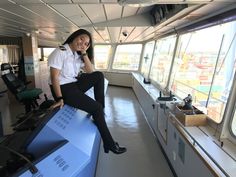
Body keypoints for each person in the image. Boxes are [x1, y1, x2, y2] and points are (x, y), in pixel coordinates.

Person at [48, 29, 126, 154]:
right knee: (95, 108)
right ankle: (109, 144)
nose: (82, 43)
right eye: (81, 39)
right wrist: (59, 98)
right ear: (74, 37)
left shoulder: (76, 54)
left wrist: (84, 53)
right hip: (63, 89)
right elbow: (54, 78)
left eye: (86, 43)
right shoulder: (60, 51)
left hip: (73, 84)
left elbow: (91, 71)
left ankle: (100, 111)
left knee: (99, 76)